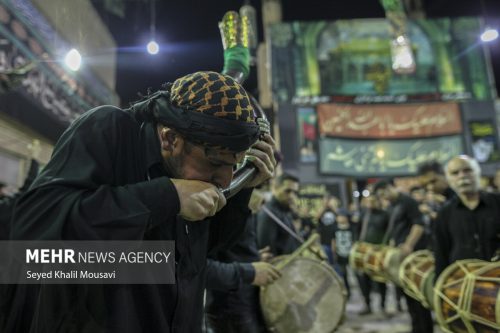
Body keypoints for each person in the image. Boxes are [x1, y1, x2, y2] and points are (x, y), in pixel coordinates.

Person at [7, 71, 276, 333]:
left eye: (234, 165)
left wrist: (242, 191)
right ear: (170, 138)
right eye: (216, 162)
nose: (225, 179)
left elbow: (195, 260)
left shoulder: (196, 174)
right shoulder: (110, 130)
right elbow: (33, 239)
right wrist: (164, 197)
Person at [205, 189, 279, 333]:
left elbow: (224, 250)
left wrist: (254, 259)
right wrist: (249, 272)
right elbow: (188, 269)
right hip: (230, 305)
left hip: (245, 300)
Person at [373, 179, 433, 333]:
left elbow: (418, 224)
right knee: (408, 295)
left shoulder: (408, 201)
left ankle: (425, 329)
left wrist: (409, 244)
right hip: (402, 257)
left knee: (418, 295)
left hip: (414, 255)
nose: (383, 198)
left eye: (383, 193)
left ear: (390, 187)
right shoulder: (393, 205)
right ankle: (416, 327)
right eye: (380, 196)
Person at [433, 155, 500, 278]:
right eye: (455, 173)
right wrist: (438, 287)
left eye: (467, 170)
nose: (462, 176)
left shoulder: (497, 203)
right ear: (449, 180)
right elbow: (441, 252)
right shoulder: (444, 213)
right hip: (461, 285)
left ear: (478, 172)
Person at [256, 173, 300, 256]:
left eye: (295, 192)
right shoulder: (269, 214)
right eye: (287, 191)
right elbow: (267, 253)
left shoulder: (285, 212)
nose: (291, 196)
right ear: (275, 188)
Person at [331, 208, 355, 298]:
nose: (339, 218)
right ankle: (348, 291)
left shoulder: (351, 227)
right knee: (344, 275)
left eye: (341, 216)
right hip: (340, 254)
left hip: (351, 254)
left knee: (355, 274)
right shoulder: (335, 228)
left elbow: (354, 241)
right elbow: (333, 241)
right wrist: (334, 253)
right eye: (338, 216)